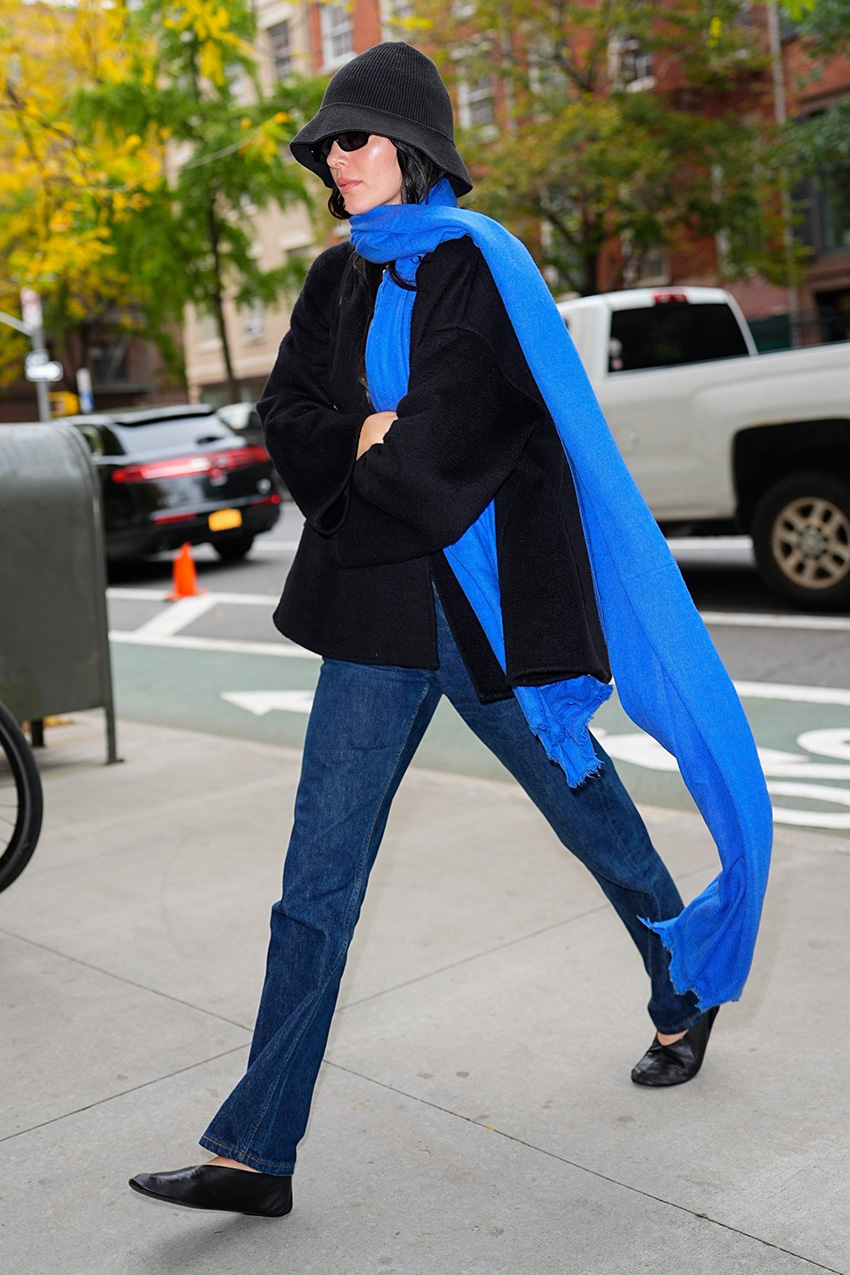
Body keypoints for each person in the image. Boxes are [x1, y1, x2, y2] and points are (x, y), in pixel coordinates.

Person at [129, 41, 771, 1219]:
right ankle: (255, 1151)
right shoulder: (334, 281)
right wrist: (359, 434)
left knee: (597, 827)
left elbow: (452, 438)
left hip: (485, 621)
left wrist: (375, 434)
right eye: (327, 144)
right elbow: (290, 416)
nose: (336, 158)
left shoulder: (484, 269)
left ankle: (680, 987)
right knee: (312, 886)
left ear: (412, 147)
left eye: (356, 138)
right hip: (372, 612)